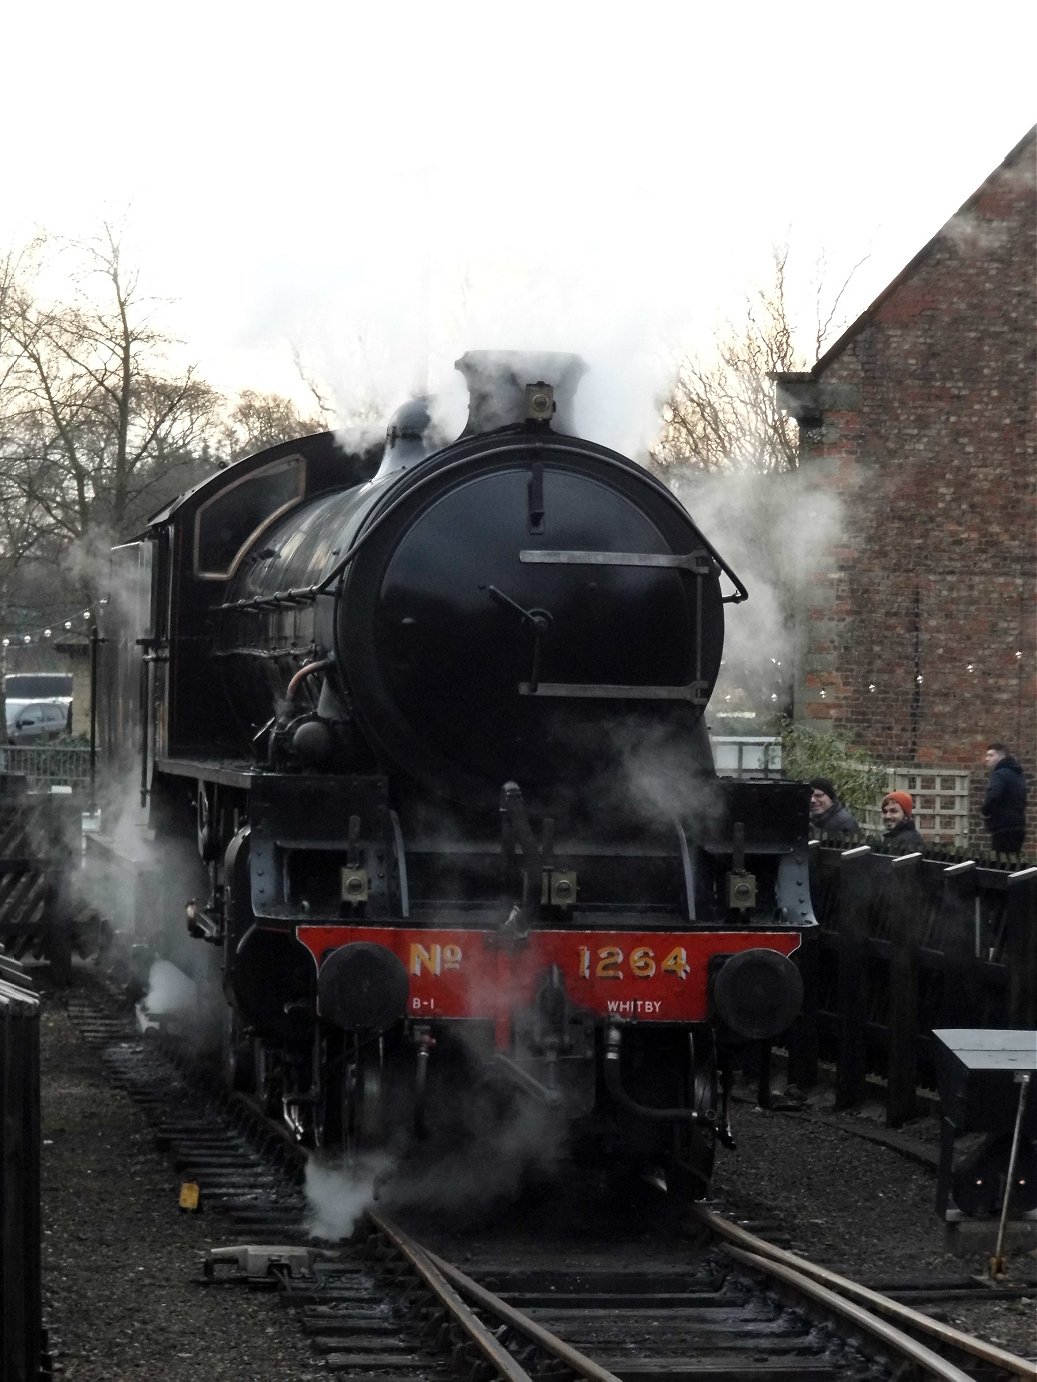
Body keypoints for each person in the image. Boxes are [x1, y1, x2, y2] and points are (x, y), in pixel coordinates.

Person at [981, 742, 1027, 854]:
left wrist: (985, 810)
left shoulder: (999, 775)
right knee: (1013, 863)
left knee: (1000, 863)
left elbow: (993, 796)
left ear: (1002, 757)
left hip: (1002, 826)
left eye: (991, 755)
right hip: (1018, 825)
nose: (987, 759)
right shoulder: (1017, 774)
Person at [880, 790, 924, 855]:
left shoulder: (909, 841)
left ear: (906, 815)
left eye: (894, 811)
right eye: (885, 812)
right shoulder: (893, 838)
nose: (888, 816)